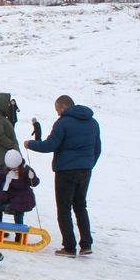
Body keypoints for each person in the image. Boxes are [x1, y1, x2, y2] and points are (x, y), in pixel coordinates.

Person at [24, 95, 101, 258]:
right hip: (85, 170)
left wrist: (30, 144)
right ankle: (86, 244)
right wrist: (88, 164)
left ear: (63, 106)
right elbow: (97, 148)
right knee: (80, 206)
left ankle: (69, 247)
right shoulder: (93, 122)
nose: (58, 113)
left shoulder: (63, 122)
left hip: (66, 171)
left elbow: (50, 145)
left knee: (64, 208)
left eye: (58, 109)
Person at [0, 150, 39, 226]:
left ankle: (19, 229)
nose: (13, 169)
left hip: (22, 194)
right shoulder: (7, 169)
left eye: (14, 167)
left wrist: (32, 177)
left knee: (19, 207)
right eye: (11, 167)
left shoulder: (27, 170)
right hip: (8, 192)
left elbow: (35, 183)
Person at [0, 92, 20, 171]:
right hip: (3, 159)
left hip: (6, 157)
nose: (9, 105)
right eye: (7, 103)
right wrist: (13, 145)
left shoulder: (0, 117)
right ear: (1, 104)